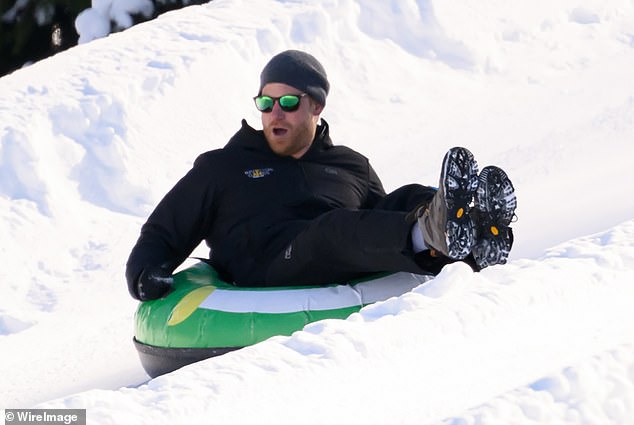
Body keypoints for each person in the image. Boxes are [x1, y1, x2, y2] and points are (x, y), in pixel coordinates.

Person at [126, 50, 517, 301]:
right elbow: (164, 229)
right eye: (266, 102)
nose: (275, 113)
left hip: (333, 250)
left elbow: (377, 219)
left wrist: (417, 206)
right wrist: (145, 273)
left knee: (407, 197)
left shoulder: (350, 165)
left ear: (316, 107)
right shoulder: (223, 166)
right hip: (266, 269)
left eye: (289, 103)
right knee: (331, 229)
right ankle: (438, 230)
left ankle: (473, 226)